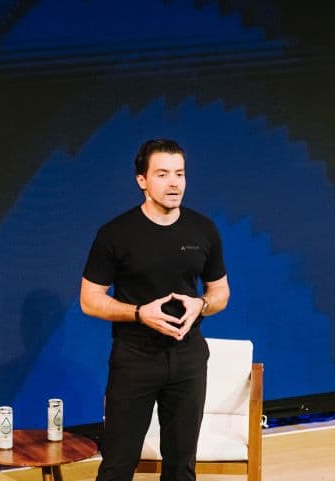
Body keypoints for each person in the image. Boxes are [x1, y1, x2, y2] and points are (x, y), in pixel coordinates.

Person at [80, 138, 230, 481]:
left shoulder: (202, 229)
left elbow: (220, 292)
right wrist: (139, 313)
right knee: (118, 464)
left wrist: (201, 305)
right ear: (142, 181)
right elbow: (89, 300)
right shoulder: (116, 234)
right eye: (162, 174)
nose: (174, 182)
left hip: (188, 356)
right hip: (135, 357)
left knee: (181, 466)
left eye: (180, 173)